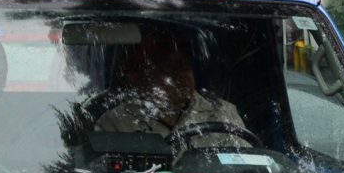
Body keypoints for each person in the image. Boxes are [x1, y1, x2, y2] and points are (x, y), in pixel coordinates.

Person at [95, 36, 247, 148]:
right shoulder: (115, 122)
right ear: (143, 77)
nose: (181, 76)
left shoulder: (223, 113)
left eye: (184, 66)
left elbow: (248, 168)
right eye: (169, 69)